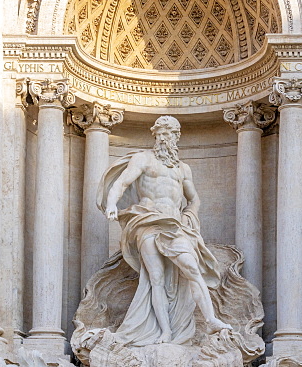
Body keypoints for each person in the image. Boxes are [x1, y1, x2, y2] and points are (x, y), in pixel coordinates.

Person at [98, 114, 230, 345]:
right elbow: (122, 183)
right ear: (155, 135)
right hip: (147, 221)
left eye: (169, 133)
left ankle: (210, 320)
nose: (164, 137)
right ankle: (165, 332)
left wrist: (190, 215)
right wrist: (111, 204)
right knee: (155, 277)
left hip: (174, 225)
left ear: (176, 137)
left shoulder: (183, 169)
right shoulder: (143, 159)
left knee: (192, 268)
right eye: (160, 133)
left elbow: (194, 199)